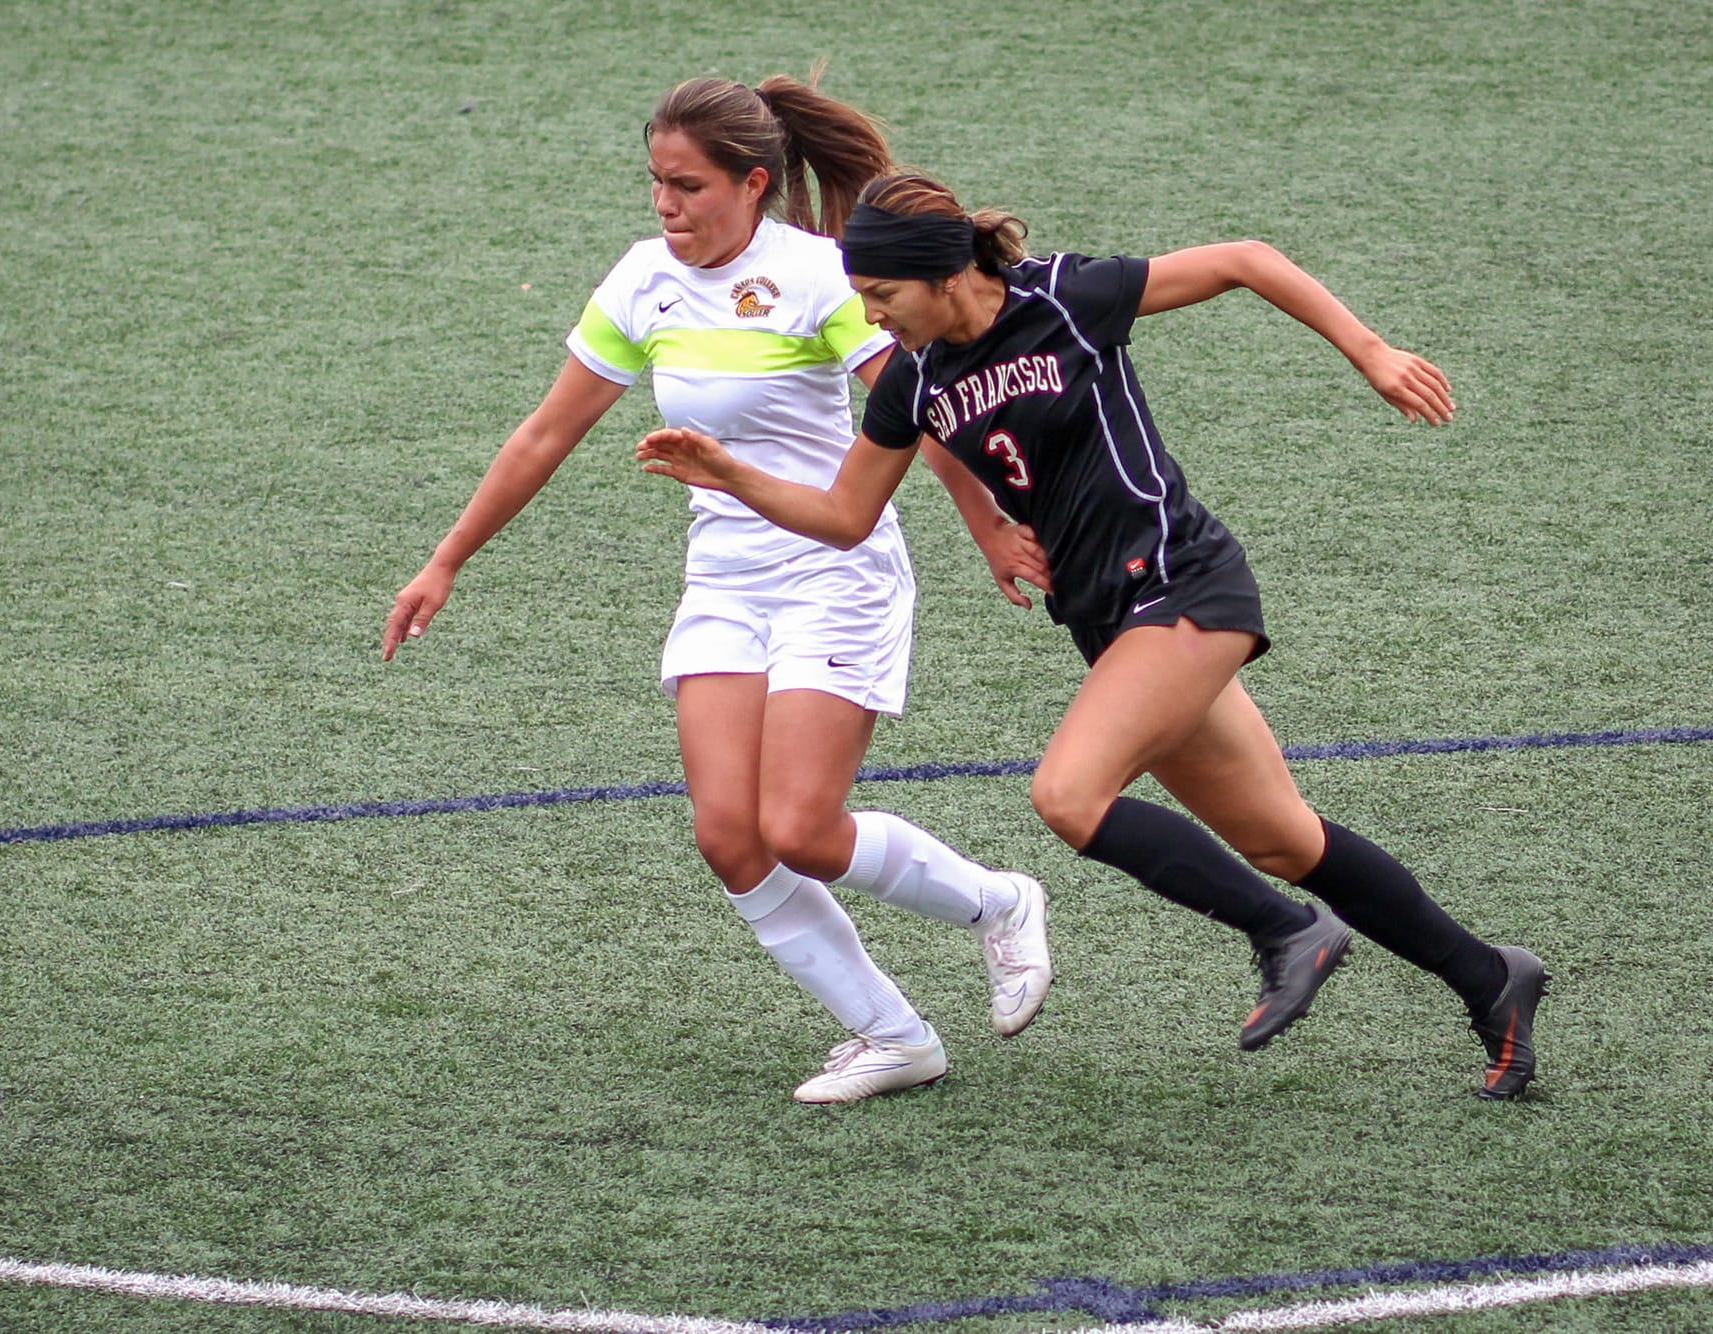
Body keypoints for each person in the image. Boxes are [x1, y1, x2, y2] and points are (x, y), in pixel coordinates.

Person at [637, 171, 1549, 1099]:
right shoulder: (912, 379)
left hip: (1183, 582)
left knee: (1069, 796)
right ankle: (1491, 981)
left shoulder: (1066, 297)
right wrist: (729, 472)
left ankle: (1287, 932)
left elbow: (1245, 260)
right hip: (1109, 622)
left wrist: (1371, 349)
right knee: (1282, 838)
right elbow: (843, 513)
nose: (872, 321)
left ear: (945, 273)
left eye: (883, 297)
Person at [384, 83, 1056, 1104]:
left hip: (835, 566)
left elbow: (916, 405)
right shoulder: (642, 281)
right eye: (655, 181)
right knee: (727, 835)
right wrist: (446, 558)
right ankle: (890, 1033)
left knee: (800, 826)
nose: (664, 203)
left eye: (686, 184)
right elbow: (544, 432)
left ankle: (996, 903)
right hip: (726, 578)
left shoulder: (818, 275)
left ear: (752, 183)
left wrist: (986, 526)